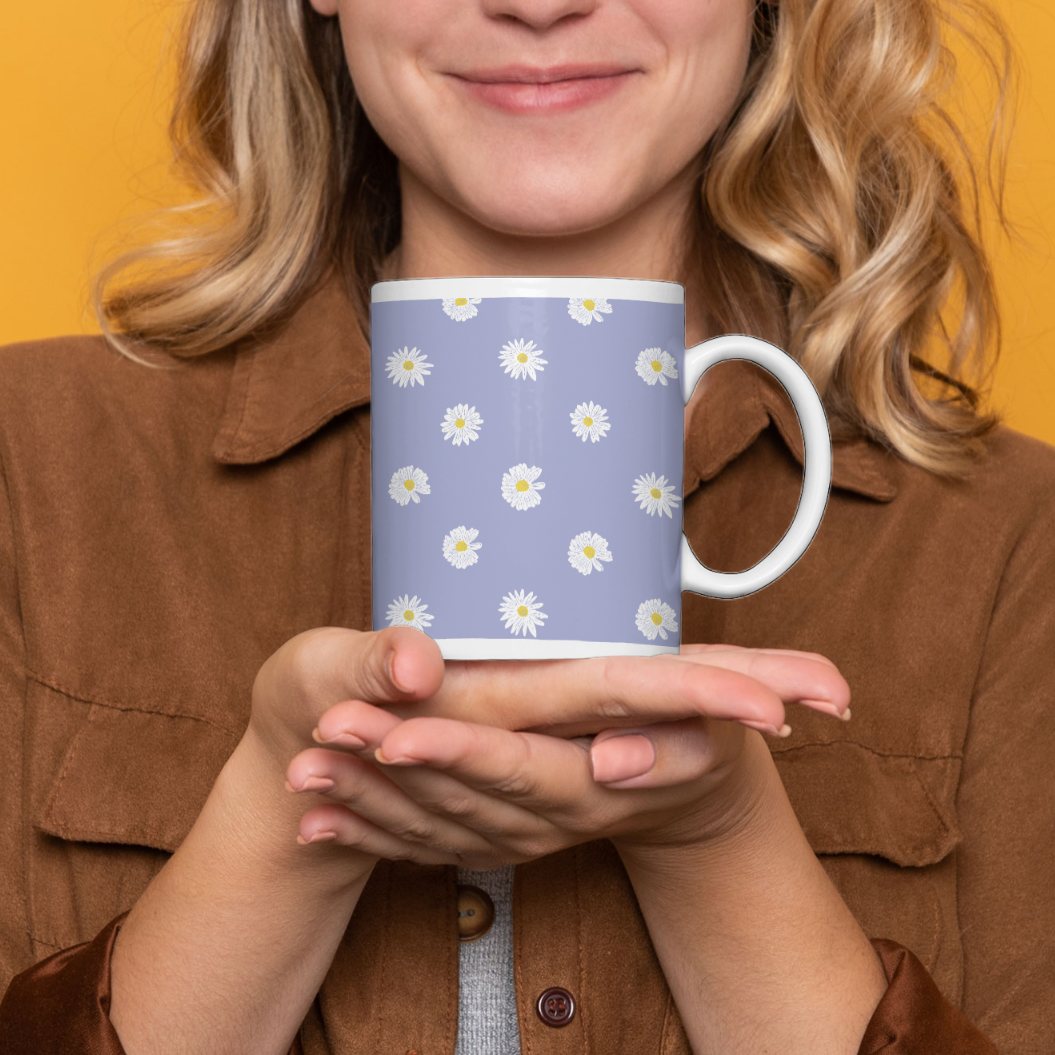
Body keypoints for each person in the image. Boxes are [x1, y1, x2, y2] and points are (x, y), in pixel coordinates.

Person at [0, 0, 1051, 1052]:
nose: (540, 5)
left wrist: (713, 837)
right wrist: (284, 824)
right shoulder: (31, 459)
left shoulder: (1013, 541)